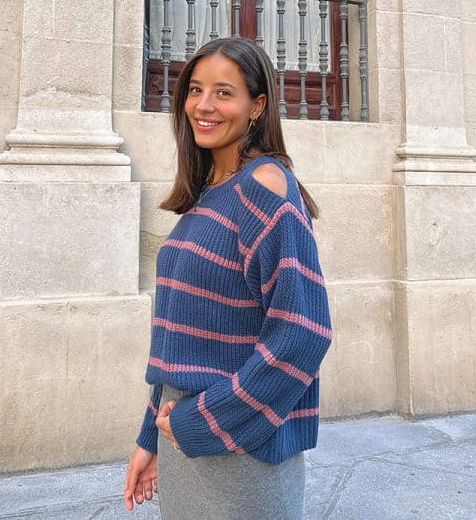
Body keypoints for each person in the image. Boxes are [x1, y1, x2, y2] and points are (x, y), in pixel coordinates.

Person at [124, 36, 332, 519]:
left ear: (257, 106)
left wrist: (205, 420)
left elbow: (303, 333)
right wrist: (150, 437)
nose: (204, 105)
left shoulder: (263, 186)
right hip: (184, 437)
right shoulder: (208, 194)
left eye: (223, 92)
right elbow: (181, 337)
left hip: (240, 448)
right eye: (196, 90)